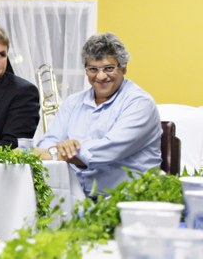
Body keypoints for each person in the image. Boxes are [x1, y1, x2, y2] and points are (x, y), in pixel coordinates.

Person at [34, 33, 161, 194]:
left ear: (124, 68)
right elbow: (47, 142)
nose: (100, 76)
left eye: (109, 68)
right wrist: (56, 150)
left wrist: (65, 152)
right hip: (76, 195)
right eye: (93, 69)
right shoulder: (73, 102)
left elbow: (107, 150)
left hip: (128, 199)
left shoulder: (140, 103)